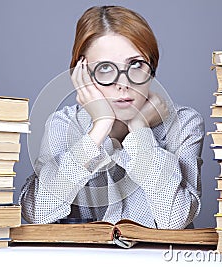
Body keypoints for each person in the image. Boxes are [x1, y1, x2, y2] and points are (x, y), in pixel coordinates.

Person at [19, 5, 205, 229]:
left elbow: (175, 219)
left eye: (136, 65)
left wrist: (139, 127)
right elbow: (37, 212)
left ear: (152, 69)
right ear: (82, 74)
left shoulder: (184, 124)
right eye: (105, 68)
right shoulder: (64, 124)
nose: (124, 85)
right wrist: (99, 129)